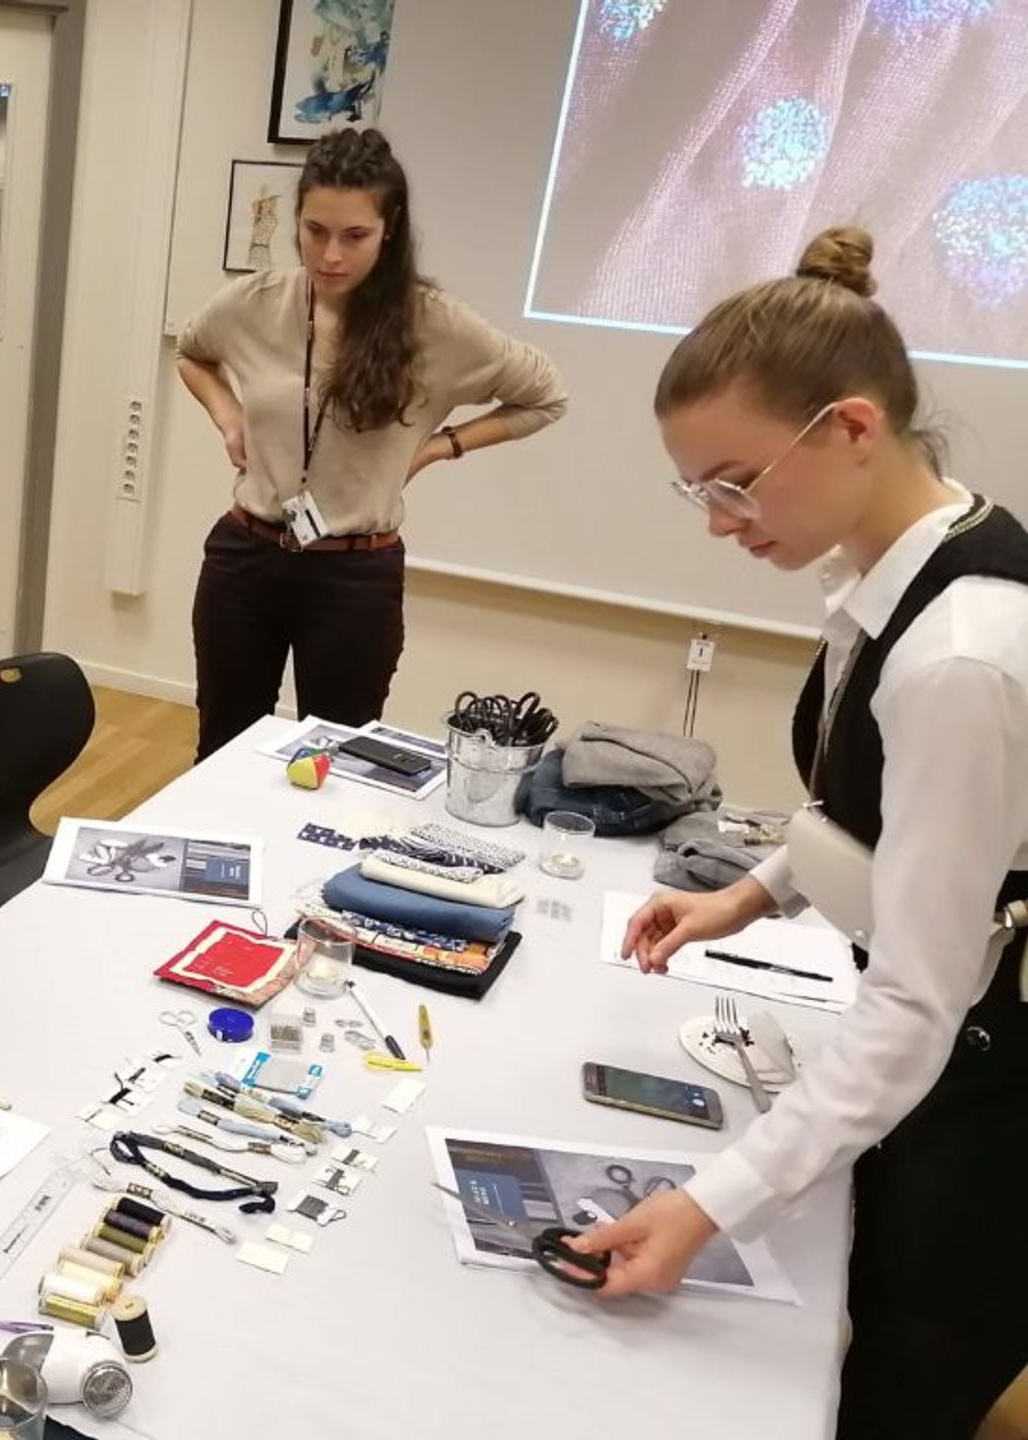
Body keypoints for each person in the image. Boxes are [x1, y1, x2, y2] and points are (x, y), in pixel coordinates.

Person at [586, 227, 1028, 1438]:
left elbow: (919, 1005)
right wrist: (756, 893)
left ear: (849, 427)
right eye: (698, 490)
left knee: (909, 1362)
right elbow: (879, 805)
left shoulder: (960, 655)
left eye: (736, 480)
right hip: (963, 1028)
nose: (719, 521)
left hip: (998, 1072)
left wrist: (707, 1205)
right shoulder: (884, 572)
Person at [176, 128, 568, 761]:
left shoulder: (434, 325)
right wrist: (228, 416)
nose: (330, 254)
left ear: (390, 230)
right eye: (314, 231)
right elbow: (191, 353)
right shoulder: (256, 303)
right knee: (222, 749)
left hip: (353, 575)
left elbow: (545, 396)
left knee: (336, 761)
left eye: (354, 236)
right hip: (244, 559)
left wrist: (440, 446)